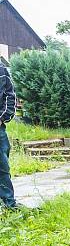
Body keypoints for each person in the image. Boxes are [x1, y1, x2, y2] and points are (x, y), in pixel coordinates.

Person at [0, 62, 17, 210]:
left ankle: (8, 205)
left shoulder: (1, 69)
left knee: (2, 167)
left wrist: (2, 118)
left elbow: (9, 96)